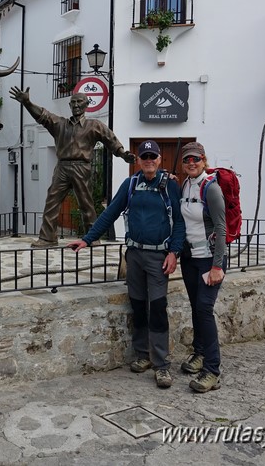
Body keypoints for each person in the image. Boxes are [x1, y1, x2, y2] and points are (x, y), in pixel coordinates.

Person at [68, 140, 185, 389]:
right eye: (145, 156)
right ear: (139, 160)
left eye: (153, 156)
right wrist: (88, 239)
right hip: (134, 255)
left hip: (158, 258)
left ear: (159, 159)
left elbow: (181, 222)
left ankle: (162, 365)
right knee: (139, 307)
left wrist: (174, 252)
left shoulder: (169, 185)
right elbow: (111, 212)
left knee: (158, 308)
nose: (149, 160)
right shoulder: (131, 184)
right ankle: (143, 355)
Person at [9, 87, 135, 247]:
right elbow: (42, 115)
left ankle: (92, 237)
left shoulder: (94, 125)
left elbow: (111, 140)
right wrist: (27, 102)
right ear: (69, 105)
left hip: (82, 167)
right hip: (62, 167)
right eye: (73, 102)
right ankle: (47, 238)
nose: (76, 105)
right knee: (52, 201)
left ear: (87, 104)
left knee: (86, 203)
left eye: (79, 102)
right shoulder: (60, 124)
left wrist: (123, 154)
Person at [177, 142, 226, 393]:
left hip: (209, 260)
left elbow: (221, 228)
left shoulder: (212, 188)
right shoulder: (186, 184)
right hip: (190, 258)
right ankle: (199, 353)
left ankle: (212, 370)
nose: (191, 163)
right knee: (196, 307)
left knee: (205, 309)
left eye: (196, 159)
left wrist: (217, 266)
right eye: (187, 160)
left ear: (204, 160)